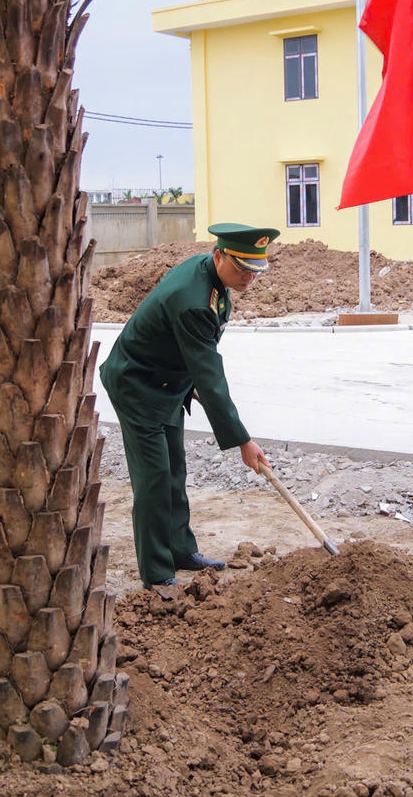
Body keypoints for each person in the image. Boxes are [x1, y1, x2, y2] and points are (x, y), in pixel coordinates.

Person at [99, 223, 277, 589]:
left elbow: (195, 355)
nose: (248, 278)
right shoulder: (194, 300)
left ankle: (180, 549)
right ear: (219, 255)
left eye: (254, 271)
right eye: (242, 268)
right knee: (154, 480)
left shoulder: (210, 277)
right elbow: (210, 376)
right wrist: (244, 441)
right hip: (136, 385)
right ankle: (157, 572)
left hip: (166, 384)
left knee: (174, 471)